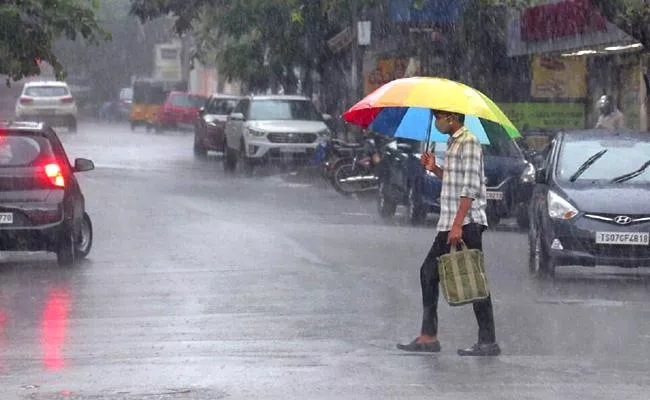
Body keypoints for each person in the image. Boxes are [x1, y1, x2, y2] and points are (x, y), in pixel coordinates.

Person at [397, 110, 500, 357]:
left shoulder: (469, 142)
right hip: (450, 222)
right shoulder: (453, 142)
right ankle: (428, 335)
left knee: (474, 280)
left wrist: (457, 225)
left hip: (466, 222)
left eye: (438, 116)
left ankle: (487, 341)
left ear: (451, 117)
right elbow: (454, 181)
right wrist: (435, 169)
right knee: (429, 273)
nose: (436, 122)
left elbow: (471, 187)